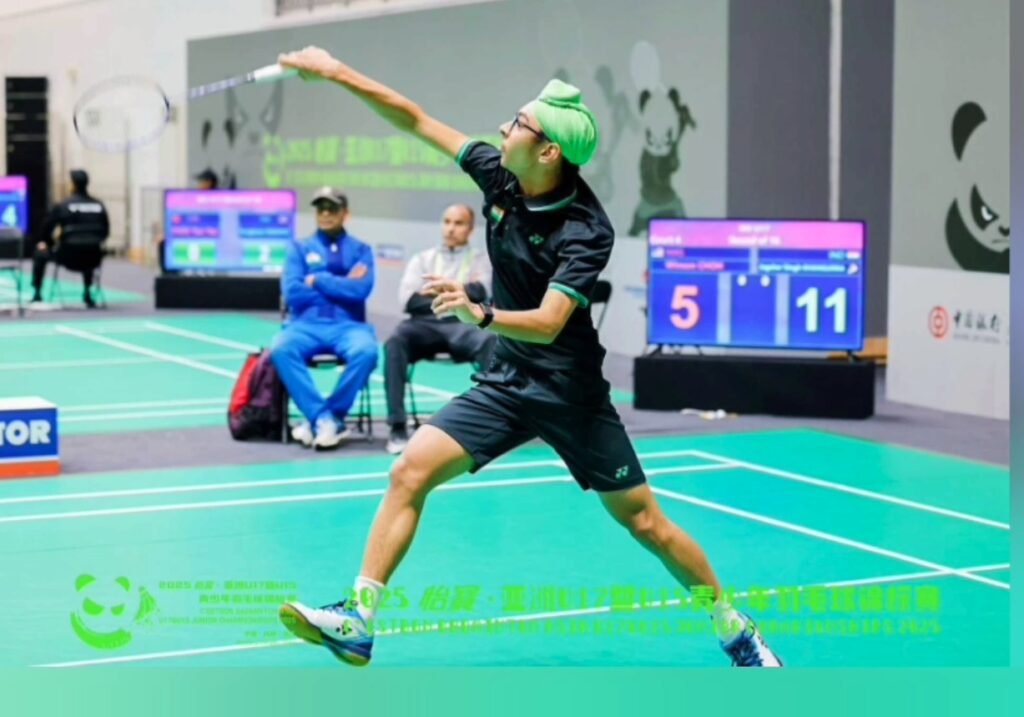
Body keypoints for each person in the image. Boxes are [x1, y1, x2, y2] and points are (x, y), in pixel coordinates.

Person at [274, 46, 782, 668]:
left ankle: (733, 626)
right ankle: (359, 618)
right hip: (505, 380)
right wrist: (335, 72)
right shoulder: (500, 176)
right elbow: (414, 118)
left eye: (517, 123)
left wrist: (480, 314)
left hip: (570, 393)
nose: (502, 128)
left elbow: (548, 322)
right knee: (408, 472)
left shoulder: (586, 229)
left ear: (549, 152)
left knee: (646, 524)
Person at [271, 186, 379, 451]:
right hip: (305, 324)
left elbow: (360, 290)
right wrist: (342, 284)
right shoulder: (299, 248)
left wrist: (318, 279)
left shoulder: (361, 250)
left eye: (332, 208)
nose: (326, 214)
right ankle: (323, 418)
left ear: (345, 214)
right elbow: (293, 293)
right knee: (281, 349)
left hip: (348, 325)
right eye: (321, 209)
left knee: (367, 352)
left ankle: (329, 417)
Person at [384, 203, 496, 455]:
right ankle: (397, 426)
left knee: (490, 340)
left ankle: (489, 425)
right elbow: (408, 301)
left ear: (470, 228)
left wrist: (433, 293)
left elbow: (482, 292)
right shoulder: (422, 259)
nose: (451, 228)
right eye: (447, 222)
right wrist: (460, 293)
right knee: (395, 341)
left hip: (463, 324)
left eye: (458, 223)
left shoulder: (480, 259)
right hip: (424, 325)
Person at [31, 169, 109, 308]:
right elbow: (105, 232)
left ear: (73, 184)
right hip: (93, 257)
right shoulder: (99, 205)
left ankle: (37, 293)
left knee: (39, 252)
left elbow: (46, 229)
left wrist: (48, 243)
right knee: (88, 246)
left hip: (67, 257)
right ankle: (87, 292)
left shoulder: (63, 205)